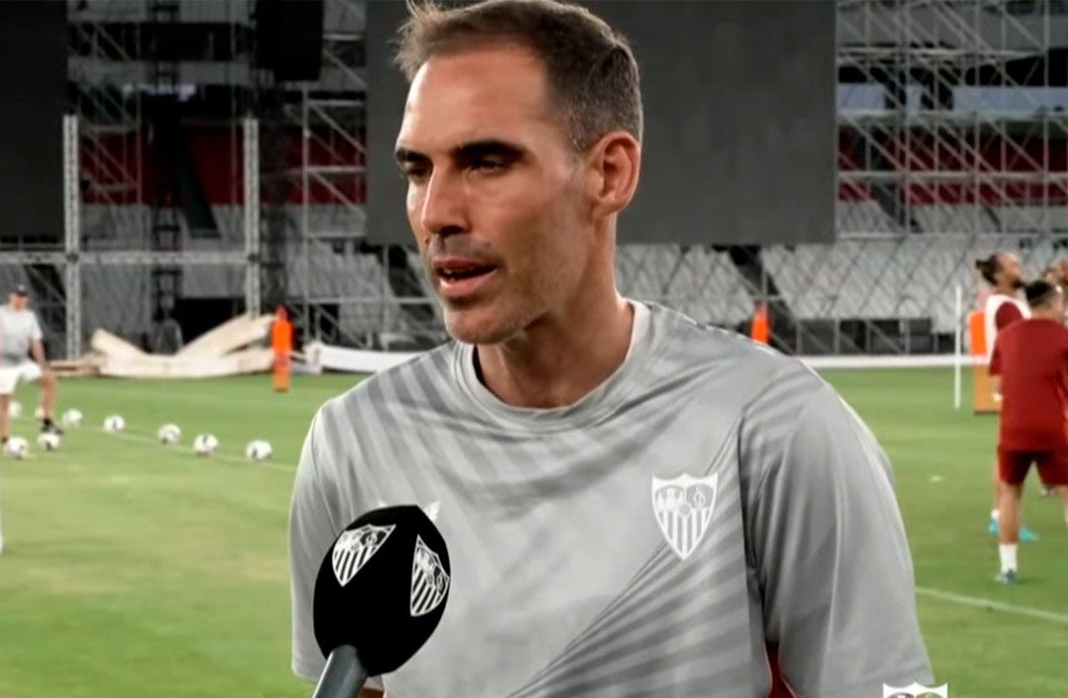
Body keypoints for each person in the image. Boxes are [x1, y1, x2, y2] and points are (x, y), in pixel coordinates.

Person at [287, 2, 933, 696]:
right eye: (418, 170)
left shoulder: (776, 429)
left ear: (609, 174)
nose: (437, 212)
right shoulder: (352, 442)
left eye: (487, 162)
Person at [988, 279, 1068, 583]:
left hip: (1014, 429)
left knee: (1010, 493)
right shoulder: (1063, 338)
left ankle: (1008, 569)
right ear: (1049, 304)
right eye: (1060, 303)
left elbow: (999, 386)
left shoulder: (1007, 336)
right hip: (1050, 427)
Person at [976, 253, 1040, 539]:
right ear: (1000, 275)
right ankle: (1004, 516)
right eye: (1013, 265)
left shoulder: (1008, 304)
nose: (1020, 269)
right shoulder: (1006, 308)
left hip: (1017, 386)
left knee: (1010, 453)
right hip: (1020, 387)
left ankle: (1000, 515)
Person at [0, 285, 61, 445]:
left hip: (22, 360)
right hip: (2, 362)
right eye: (18, 296)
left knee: (49, 380)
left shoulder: (29, 316)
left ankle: (46, 420)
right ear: (11, 297)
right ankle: (5, 437)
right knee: (5, 399)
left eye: (24, 296)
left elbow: (35, 341)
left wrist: (42, 362)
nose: (21, 299)